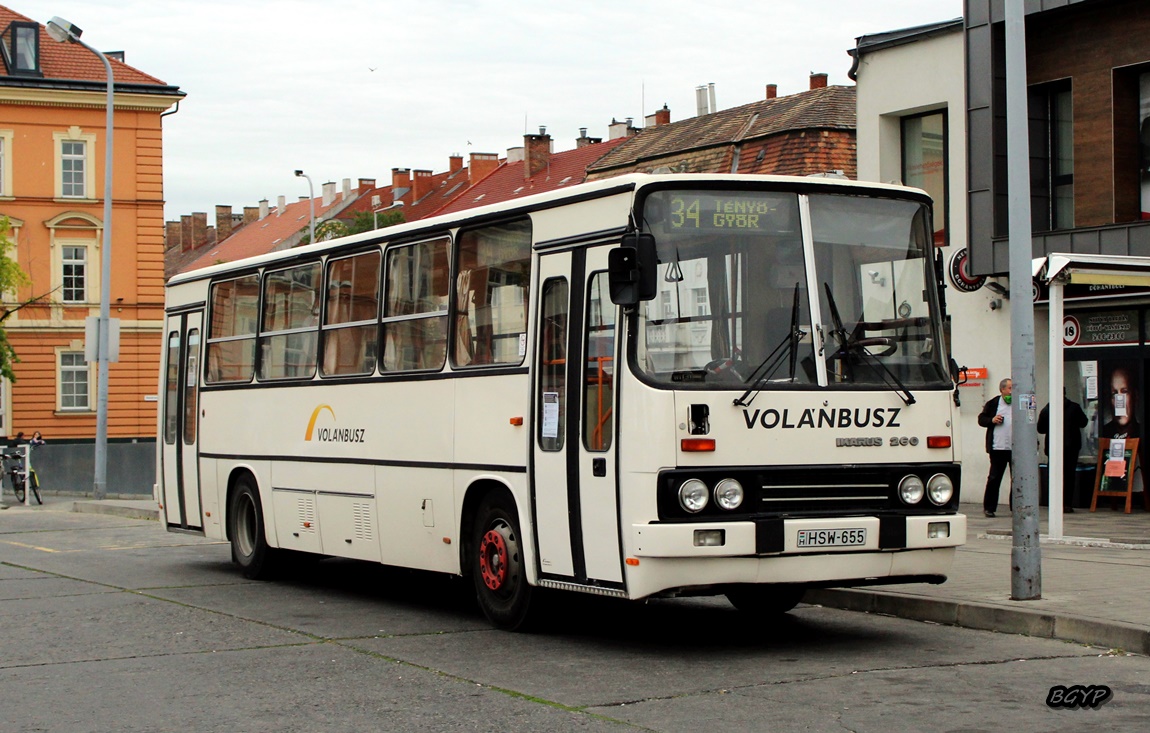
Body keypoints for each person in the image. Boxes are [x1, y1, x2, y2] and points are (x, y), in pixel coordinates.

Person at [1037, 394, 1088, 513]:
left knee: (1054, 475)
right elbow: (1084, 422)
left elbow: (1040, 428)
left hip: (1053, 447)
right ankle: (1067, 504)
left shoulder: (1047, 409)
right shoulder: (1074, 407)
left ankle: (1054, 502)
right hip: (1071, 447)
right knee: (1069, 475)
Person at [977, 378, 1013, 518]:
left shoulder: (1020, 402)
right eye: (1009, 388)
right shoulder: (993, 403)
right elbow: (981, 419)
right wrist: (992, 420)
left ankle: (1015, 506)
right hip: (998, 447)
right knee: (994, 478)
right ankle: (989, 507)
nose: (1012, 391)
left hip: (1016, 448)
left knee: (1017, 479)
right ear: (1002, 390)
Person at [1101, 366, 1140, 439]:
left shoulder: (1141, 432)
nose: (1119, 400)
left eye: (1124, 392)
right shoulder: (1103, 434)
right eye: (1114, 393)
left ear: (1135, 396)